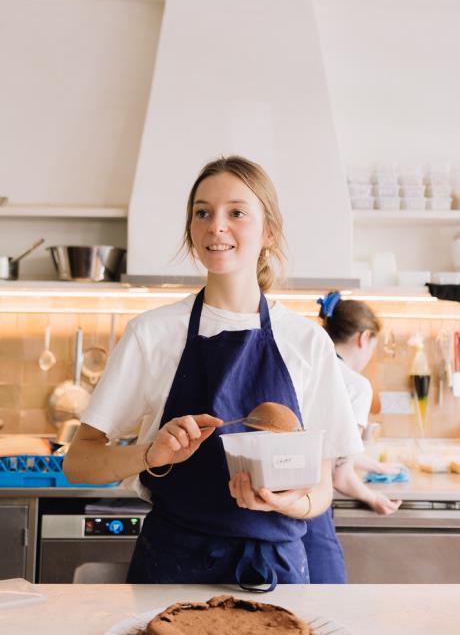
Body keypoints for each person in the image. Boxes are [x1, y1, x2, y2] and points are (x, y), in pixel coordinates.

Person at [64, 156, 362, 589]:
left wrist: (291, 502)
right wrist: (150, 453)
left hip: (277, 571)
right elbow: (79, 462)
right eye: (202, 212)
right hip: (174, 567)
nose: (215, 226)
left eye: (236, 213)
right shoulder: (153, 334)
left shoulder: (307, 342)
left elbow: (321, 486)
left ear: (269, 232)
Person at [303, 291, 402, 583]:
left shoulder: (307, 368)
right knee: (330, 598)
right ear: (363, 337)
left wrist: (376, 467)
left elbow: (327, 446)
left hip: (273, 502)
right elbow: (339, 474)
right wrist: (374, 498)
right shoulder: (356, 385)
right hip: (311, 506)